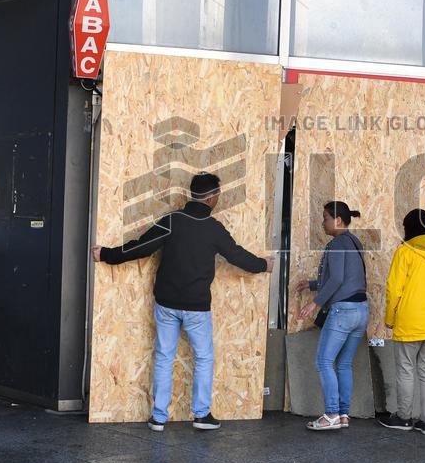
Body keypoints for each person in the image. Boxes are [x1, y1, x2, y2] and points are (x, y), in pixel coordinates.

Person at [91, 172, 273, 432]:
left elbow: (141, 247)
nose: (217, 200)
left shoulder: (172, 221)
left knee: (165, 357)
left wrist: (107, 254)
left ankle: (158, 418)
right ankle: (201, 415)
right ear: (210, 198)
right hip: (197, 307)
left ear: (191, 195)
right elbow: (237, 255)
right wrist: (263, 265)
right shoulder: (213, 229)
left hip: (166, 303)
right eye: (217, 196)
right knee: (203, 358)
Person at [296, 201, 369, 431]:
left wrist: (314, 303)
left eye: (325, 217)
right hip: (361, 310)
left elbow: (337, 280)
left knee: (324, 361)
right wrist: (312, 284)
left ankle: (331, 414)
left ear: (338, 220)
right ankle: (343, 414)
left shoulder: (337, 243)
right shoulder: (354, 242)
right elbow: (346, 279)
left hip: (343, 311)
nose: (322, 222)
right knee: (344, 364)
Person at [377, 209, 425, 436]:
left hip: (410, 320)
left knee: (406, 370)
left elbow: (394, 289)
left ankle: (404, 418)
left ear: (410, 229)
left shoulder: (405, 252)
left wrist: (389, 319)